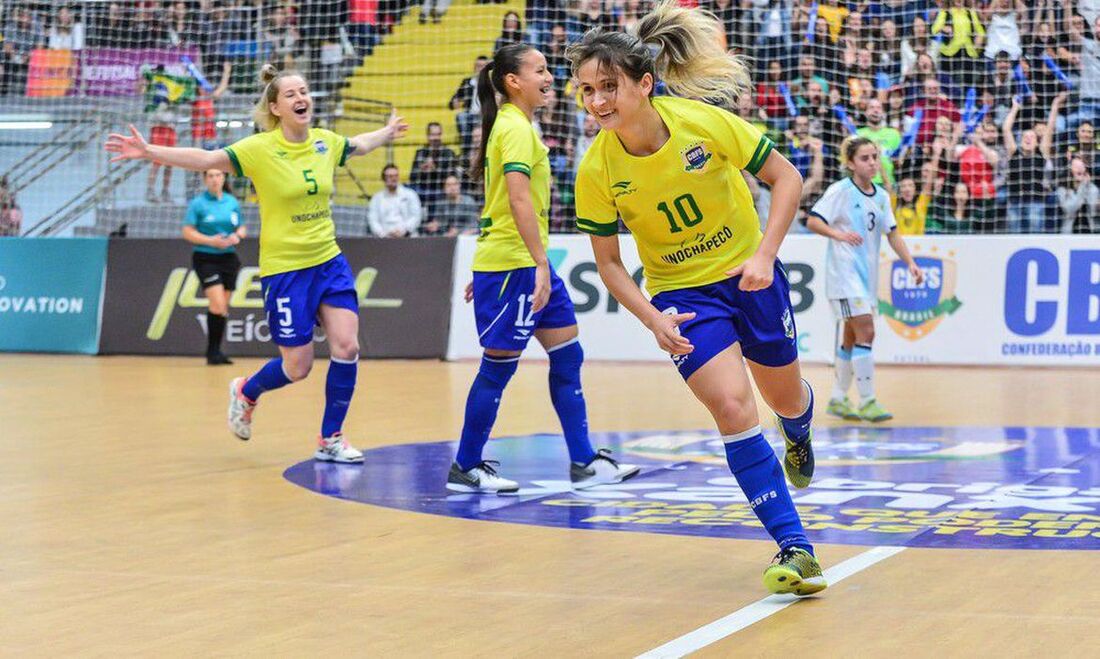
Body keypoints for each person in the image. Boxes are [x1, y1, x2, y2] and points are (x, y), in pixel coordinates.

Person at [569, 1, 825, 595]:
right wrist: (652, 315)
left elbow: (786, 178)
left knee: (784, 399)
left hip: (749, 277)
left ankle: (800, 428)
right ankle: (796, 548)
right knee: (734, 410)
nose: (598, 101)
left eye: (609, 86)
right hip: (684, 296)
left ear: (644, 83)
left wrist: (763, 255)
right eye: (586, 91)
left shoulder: (701, 124)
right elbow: (608, 263)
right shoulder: (596, 169)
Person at [106, 63, 409, 463]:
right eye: (291, 94)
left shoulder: (325, 142)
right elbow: (205, 157)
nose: (302, 98)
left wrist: (387, 132)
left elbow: (359, 145)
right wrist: (150, 152)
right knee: (297, 366)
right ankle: (247, 391)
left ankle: (330, 438)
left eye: (305, 91)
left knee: (347, 345)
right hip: (285, 270)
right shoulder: (259, 149)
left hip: (328, 261)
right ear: (275, 107)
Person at [447, 42, 639, 495]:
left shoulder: (518, 126)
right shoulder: (514, 129)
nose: (549, 76)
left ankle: (584, 461)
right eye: (540, 69)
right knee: (497, 369)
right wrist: (535, 264)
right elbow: (514, 200)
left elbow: (499, 201)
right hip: (516, 266)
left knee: (568, 354)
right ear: (514, 82)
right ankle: (466, 466)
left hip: (521, 263)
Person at [805, 137, 923, 423]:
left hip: (865, 276)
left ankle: (837, 398)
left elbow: (892, 232)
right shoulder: (841, 191)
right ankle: (868, 400)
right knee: (866, 331)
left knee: (851, 335)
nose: (872, 163)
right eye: (865, 158)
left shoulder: (881, 195)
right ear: (850, 163)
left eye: (874, 157)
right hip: (844, 275)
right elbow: (813, 220)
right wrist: (839, 234)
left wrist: (910, 263)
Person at [183, 169, 246, 365]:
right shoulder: (198, 204)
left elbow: (241, 226)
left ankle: (216, 351)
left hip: (228, 258)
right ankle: (212, 352)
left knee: (222, 308)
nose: (214, 179)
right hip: (206, 258)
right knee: (217, 303)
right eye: (210, 176)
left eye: (218, 175)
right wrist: (211, 241)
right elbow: (187, 232)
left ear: (224, 178)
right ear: (204, 179)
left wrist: (238, 236)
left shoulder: (231, 201)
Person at [368, 164, 423, 237]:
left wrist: (403, 231)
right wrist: (383, 234)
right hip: (384, 239)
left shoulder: (410, 194)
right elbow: (373, 219)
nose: (394, 179)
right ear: (384, 178)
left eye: (396, 175)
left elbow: (416, 216)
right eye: (390, 176)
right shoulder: (376, 198)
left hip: (407, 237)